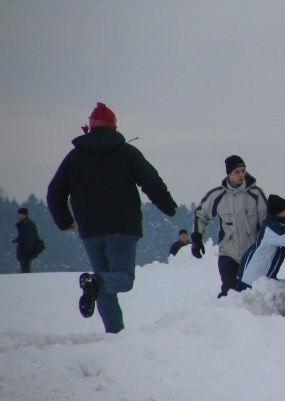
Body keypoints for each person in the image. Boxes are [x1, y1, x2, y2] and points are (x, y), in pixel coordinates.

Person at [47, 102, 177, 333]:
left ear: (90, 126)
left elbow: (54, 193)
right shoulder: (126, 152)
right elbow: (151, 181)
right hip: (122, 228)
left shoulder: (74, 158)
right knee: (122, 279)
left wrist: (65, 222)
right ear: (114, 127)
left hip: (89, 230)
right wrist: (168, 207)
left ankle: (114, 335)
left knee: (102, 280)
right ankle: (96, 287)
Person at [191, 155, 267, 297]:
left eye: (243, 170)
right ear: (229, 174)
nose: (241, 174)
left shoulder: (256, 194)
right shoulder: (217, 196)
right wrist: (196, 239)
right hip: (228, 253)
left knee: (251, 295)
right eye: (237, 171)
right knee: (230, 293)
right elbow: (201, 216)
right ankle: (222, 316)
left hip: (251, 253)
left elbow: (266, 223)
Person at [235, 194, 285, 291]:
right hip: (252, 280)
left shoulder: (275, 227)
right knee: (245, 304)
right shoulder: (271, 229)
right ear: (278, 212)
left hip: (256, 279)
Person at [13, 207, 41, 273]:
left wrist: (27, 251)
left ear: (25, 215)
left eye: (20, 214)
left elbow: (31, 238)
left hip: (26, 252)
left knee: (25, 270)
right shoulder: (24, 224)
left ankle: (26, 281)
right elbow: (24, 237)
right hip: (24, 251)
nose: (18, 216)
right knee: (24, 269)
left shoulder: (28, 224)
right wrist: (18, 240)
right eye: (18, 214)